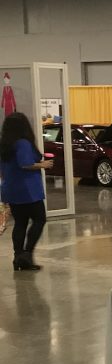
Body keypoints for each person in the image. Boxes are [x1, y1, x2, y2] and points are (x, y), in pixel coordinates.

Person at [0, 112, 52, 271]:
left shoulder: (4, 144)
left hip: (12, 189)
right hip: (28, 190)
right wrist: (42, 165)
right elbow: (25, 164)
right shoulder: (22, 143)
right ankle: (27, 254)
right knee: (39, 219)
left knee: (20, 223)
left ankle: (18, 257)